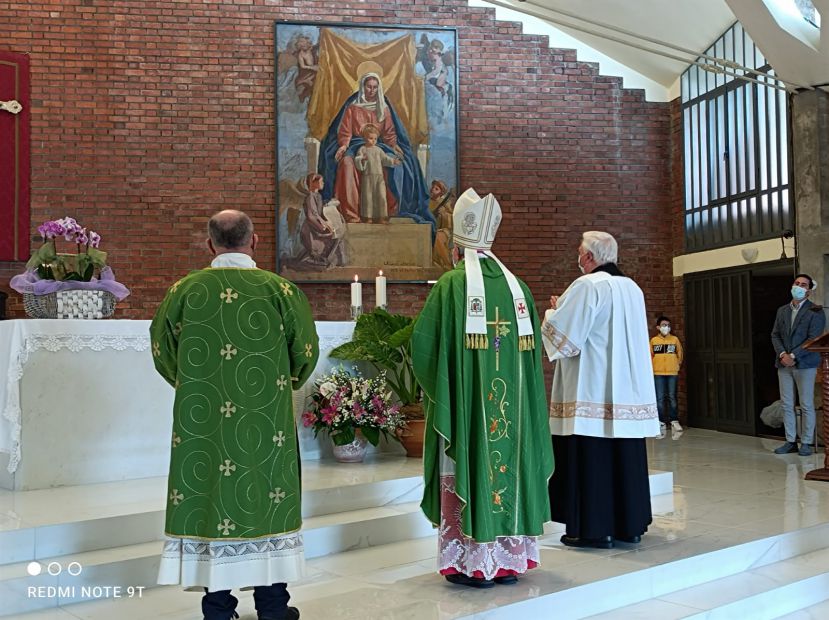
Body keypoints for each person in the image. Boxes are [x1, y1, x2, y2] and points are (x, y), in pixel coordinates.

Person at [150, 210, 320, 620]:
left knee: (212, 497)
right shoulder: (280, 290)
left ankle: (218, 607)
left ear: (211, 245)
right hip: (266, 420)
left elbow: (162, 350)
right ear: (255, 241)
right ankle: (274, 607)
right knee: (267, 496)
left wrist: (191, 382)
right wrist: (284, 382)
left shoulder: (184, 291)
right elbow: (306, 352)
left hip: (203, 417)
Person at [412, 188, 554, 588]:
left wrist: (444, 391)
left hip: (468, 414)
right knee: (509, 458)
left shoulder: (451, 287)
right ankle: (507, 561)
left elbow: (423, 348)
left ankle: (470, 562)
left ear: (458, 248)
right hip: (515, 419)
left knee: (467, 460)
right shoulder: (520, 290)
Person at [542, 231, 659, 549]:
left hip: (592, 391)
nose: (578, 258)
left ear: (590, 257)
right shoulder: (632, 288)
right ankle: (628, 527)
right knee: (624, 459)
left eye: (580, 253)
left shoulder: (586, 285)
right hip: (627, 395)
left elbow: (564, 340)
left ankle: (594, 530)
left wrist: (554, 312)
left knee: (592, 459)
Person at [318, 64, 433, 227]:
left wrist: (393, 145)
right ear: (363, 87)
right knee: (346, 164)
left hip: (378, 146)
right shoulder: (353, 108)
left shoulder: (383, 109)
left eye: (374, 87)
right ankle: (351, 214)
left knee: (401, 164)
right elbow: (345, 131)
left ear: (378, 88)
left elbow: (389, 133)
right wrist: (343, 146)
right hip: (355, 144)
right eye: (368, 87)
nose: (371, 90)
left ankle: (387, 211)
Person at [771, 273, 826, 457]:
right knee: (787, 404)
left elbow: (814, 338)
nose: (799, 286)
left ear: (809, 291)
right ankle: (790, 441)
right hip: (783, 363)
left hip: (805, 363)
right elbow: (775, 334)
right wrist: (782, 354)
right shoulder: (782, 311)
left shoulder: (815, 311)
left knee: (806, 403)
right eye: (797, 283)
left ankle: (807, 442)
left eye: (803, 285)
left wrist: (793, 355)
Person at [355, 123, 401, 223]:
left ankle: (381, 216)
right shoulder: (362, 149)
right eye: (371, 138)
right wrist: (362, 159)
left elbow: (385, 159)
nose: (373, 141)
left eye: (375, 139)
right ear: (364, 138)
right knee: (368, 198)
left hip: (379, 177)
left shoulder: (378, 150)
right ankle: (368, 217)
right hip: (367, 177)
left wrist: (393, 161)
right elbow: (357, 161)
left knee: (381, 196)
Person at [299, 173, 347, 268]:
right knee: (335, 237)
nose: (323, 183)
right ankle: (329, 260)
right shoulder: (310, 197)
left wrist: (329, 205)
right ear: (313, 183)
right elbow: (311, 216)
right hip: (312, 229)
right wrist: (322, 226)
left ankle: (338, 261)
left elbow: (319, 212)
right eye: (321, 181)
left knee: (338, 234)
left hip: (318, 225)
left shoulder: (318, 196)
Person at [651, 316, 684, 440]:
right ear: (658, 327)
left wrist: (676, 365)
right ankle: (660, 421)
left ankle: (674, 420)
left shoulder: (674, 340)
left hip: (672, 372)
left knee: (672, 397)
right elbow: (650, 355)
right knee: (659, 398)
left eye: (668, 325)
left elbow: (679, 355)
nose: (666, 327)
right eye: (664, 325)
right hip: (658, 372)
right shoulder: (654, 341)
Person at [428, 179, 454, 271]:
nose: (432, 190)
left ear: (441, 192)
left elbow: (452, 219)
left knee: (439, 236)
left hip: (443, 230)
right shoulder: (427, 202)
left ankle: (447, 264)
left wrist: (444, 214)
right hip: (429, 229)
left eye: (436, 189)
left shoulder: (445, 203)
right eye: (433, 187)